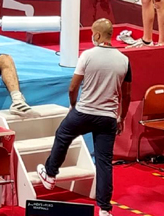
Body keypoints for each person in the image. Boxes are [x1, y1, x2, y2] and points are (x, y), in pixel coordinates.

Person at [36, 19, 131, 216]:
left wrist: (72, 104)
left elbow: (73, 86)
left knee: (63, 134)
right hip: (108, 117)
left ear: (96, 35)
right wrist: (121, 116)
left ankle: (51, 174)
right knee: (104, 161)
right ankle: (105, 209)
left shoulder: (87, 55)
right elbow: (127, 94)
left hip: (85, 112)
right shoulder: (124, 60)